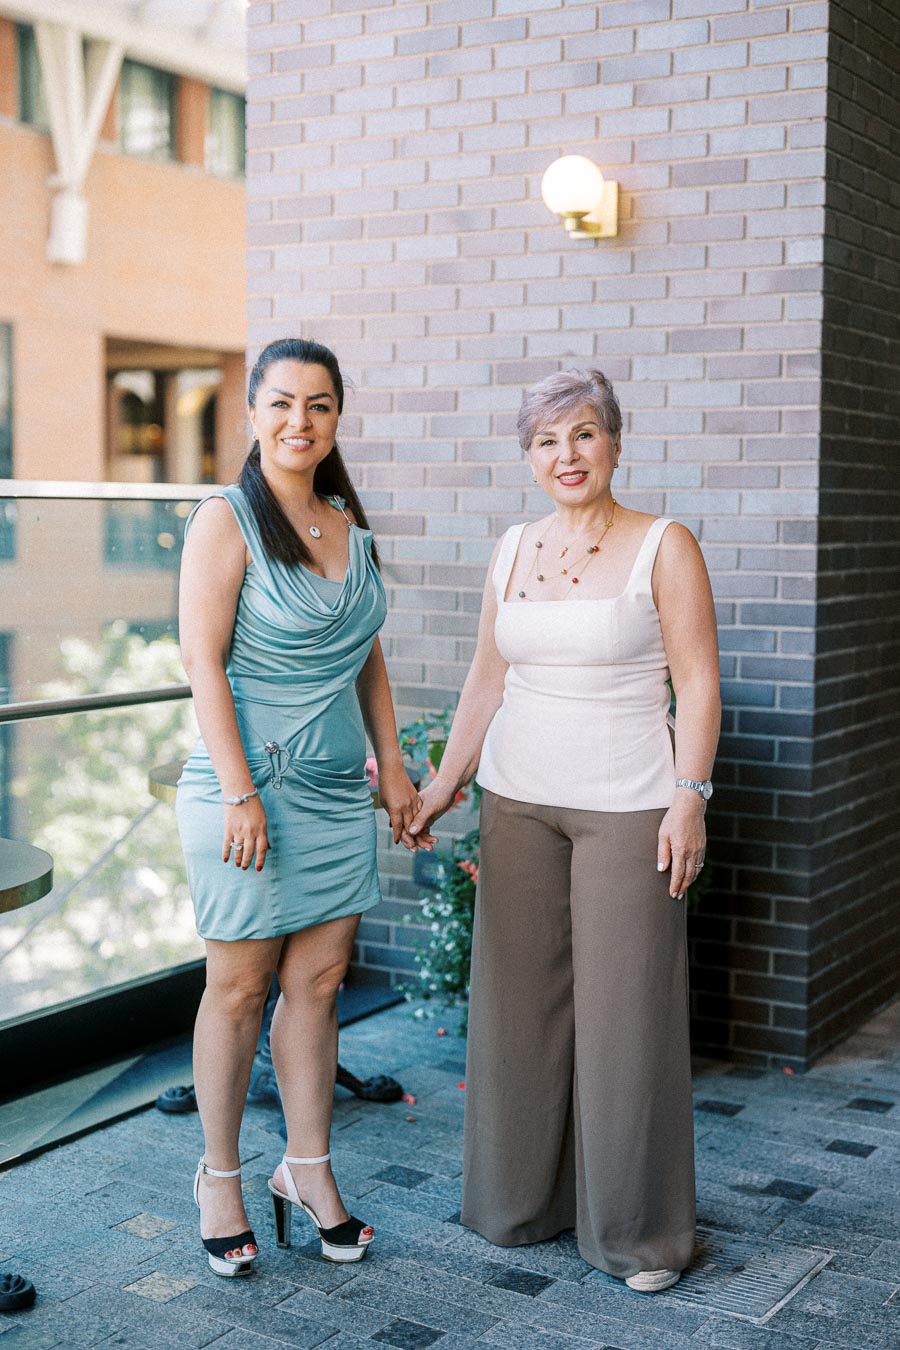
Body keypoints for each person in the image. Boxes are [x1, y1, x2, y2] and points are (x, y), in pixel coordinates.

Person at [410, 368, 720, 1291]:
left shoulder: (664, 544)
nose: (566, 456)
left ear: (615, 443)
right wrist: (442, 785)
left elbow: (697, 682)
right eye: (546, 441)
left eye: (582, 435)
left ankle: (638, 1236)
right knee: (516, 1010)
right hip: (517, 800)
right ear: (529, 458)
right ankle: (519, 1205)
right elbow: (485, 682)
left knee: (627, 1021)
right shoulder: (512, 549)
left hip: (630, 804)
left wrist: (690, 793)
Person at [176, 336, 433, 1277]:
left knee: (318, 989)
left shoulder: (346, 525)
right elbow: (201, 661)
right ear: (251, 414)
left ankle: (309, 1171)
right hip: (244, 790)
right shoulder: (226, 520)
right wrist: (241, 791)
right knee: (238, 989)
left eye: (318, 405)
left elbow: (366, 654)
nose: (299, 421)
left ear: (336, 419)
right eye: (281, 403)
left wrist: (394, 770)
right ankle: (218, 1179)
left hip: (332, 794)